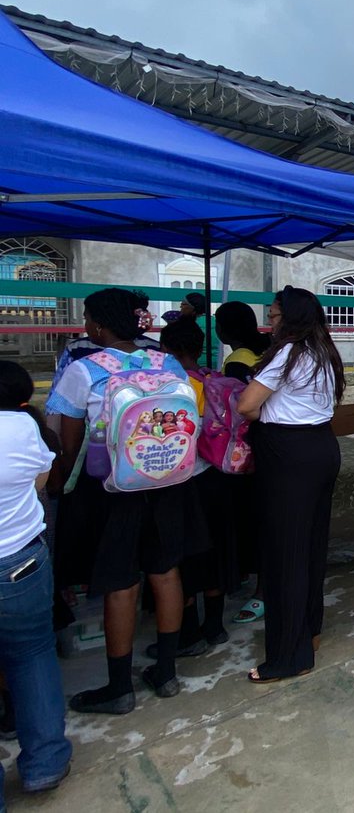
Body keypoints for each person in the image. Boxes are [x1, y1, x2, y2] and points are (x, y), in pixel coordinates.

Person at [47, 289, 197, 713]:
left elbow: (69, 443)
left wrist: (62, 484)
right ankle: (165, 672)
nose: (85, 325)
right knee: (165, 572)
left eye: (87, 319)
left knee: (120, 582)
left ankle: (118, 688)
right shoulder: (166, 362)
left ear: (98, 325)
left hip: (114, 490)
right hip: (168, 478)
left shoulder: (84, 369)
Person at [237, 286, 344, 682]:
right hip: (320, 447)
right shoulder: (324, 351)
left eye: (275, 315)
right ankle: (308, 632)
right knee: (310, 548)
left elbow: (246, 405)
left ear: (292, 318)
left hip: (289, 454)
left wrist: (264, 411)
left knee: (285, 555)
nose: (270, 322)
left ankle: (288, 655)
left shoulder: (288, 353)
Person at [0, 362, 73, 800]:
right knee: (31, 654)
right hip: (20, 562)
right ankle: (45, 763)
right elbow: (42, 483)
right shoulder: (24, 427)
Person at [157, 320, 233, 654]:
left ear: (165, 350)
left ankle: (188, 634)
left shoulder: (167, 387)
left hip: (181, 481)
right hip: (215, 476)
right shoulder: (213, 382)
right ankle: (215, 626)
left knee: (182, 558)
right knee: (214, 551)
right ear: (200, 348)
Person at [213, 301, 271, 627]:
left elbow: (236, 410)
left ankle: (260, 588)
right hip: (270, 443)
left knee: (252, 519)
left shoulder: (237, 361)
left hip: (245, 450)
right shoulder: (267, 350)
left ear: (224, 330)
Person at [179, 291, 219, 369]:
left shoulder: (190, 324)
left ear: (193, 307)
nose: (181, 307)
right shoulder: (215, 321)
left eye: (183, 304)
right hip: (215, 364)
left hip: (194, 366)